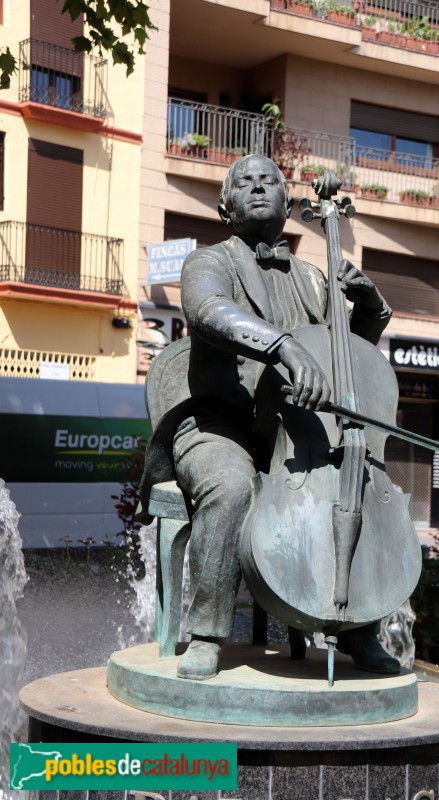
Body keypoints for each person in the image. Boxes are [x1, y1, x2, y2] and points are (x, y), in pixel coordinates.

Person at [138, 154, 399, 680]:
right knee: (232, 488)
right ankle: (208, 635)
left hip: (294, 429)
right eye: (245, 182)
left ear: (287, 200)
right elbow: (209, 311)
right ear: (224, 204)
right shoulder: (210, 262)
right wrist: (282, 345)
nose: (258, 188)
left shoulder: (309, 276)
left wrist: (371, 306)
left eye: (270, 181)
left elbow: (347, 359)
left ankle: (358, 628)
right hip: (219, 427)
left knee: (349, 479)